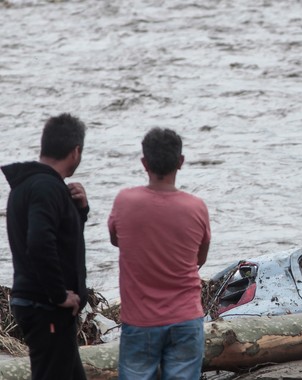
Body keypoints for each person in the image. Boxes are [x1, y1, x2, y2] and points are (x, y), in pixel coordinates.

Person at [108, 128, 211, 379]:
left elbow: (116, 240)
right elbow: (200, 259)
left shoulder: (124, 201)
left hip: (140, 321)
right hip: (186, 318)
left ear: (144, 163)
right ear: (181, 162)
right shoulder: (196, 207)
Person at [2, 113, 89, 379]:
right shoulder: (45, 188)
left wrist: (81, 211)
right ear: (75, 151)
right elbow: (39, 244)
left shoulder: (33, 185)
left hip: (41, 304)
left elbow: (62, 241)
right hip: (45, 307)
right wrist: (59, 295)